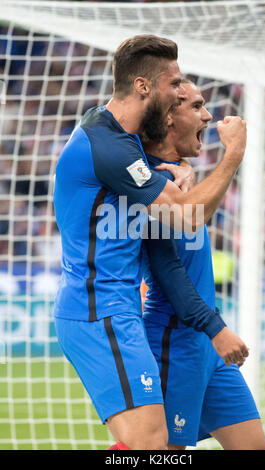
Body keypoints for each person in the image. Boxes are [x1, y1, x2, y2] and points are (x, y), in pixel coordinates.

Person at [53, 34, 248, 450]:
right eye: (174, 83)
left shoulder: (124, 142)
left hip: (118, 309)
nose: (180, 91)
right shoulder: (107, 145)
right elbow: (186, 216)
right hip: (96, 308)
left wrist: (176, 170)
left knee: (154, 446)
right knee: (151, 447)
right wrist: (232, 155)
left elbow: (164, 185)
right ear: (143, 87)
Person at [141, 79, 265, 450]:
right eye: (196, 106)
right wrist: (235, 153)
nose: (208, 115)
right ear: (168, 116)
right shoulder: (147, 185)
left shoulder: (177, 174)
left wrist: (181, 165)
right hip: (174, 339)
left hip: (206, 346)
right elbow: (168, 274)